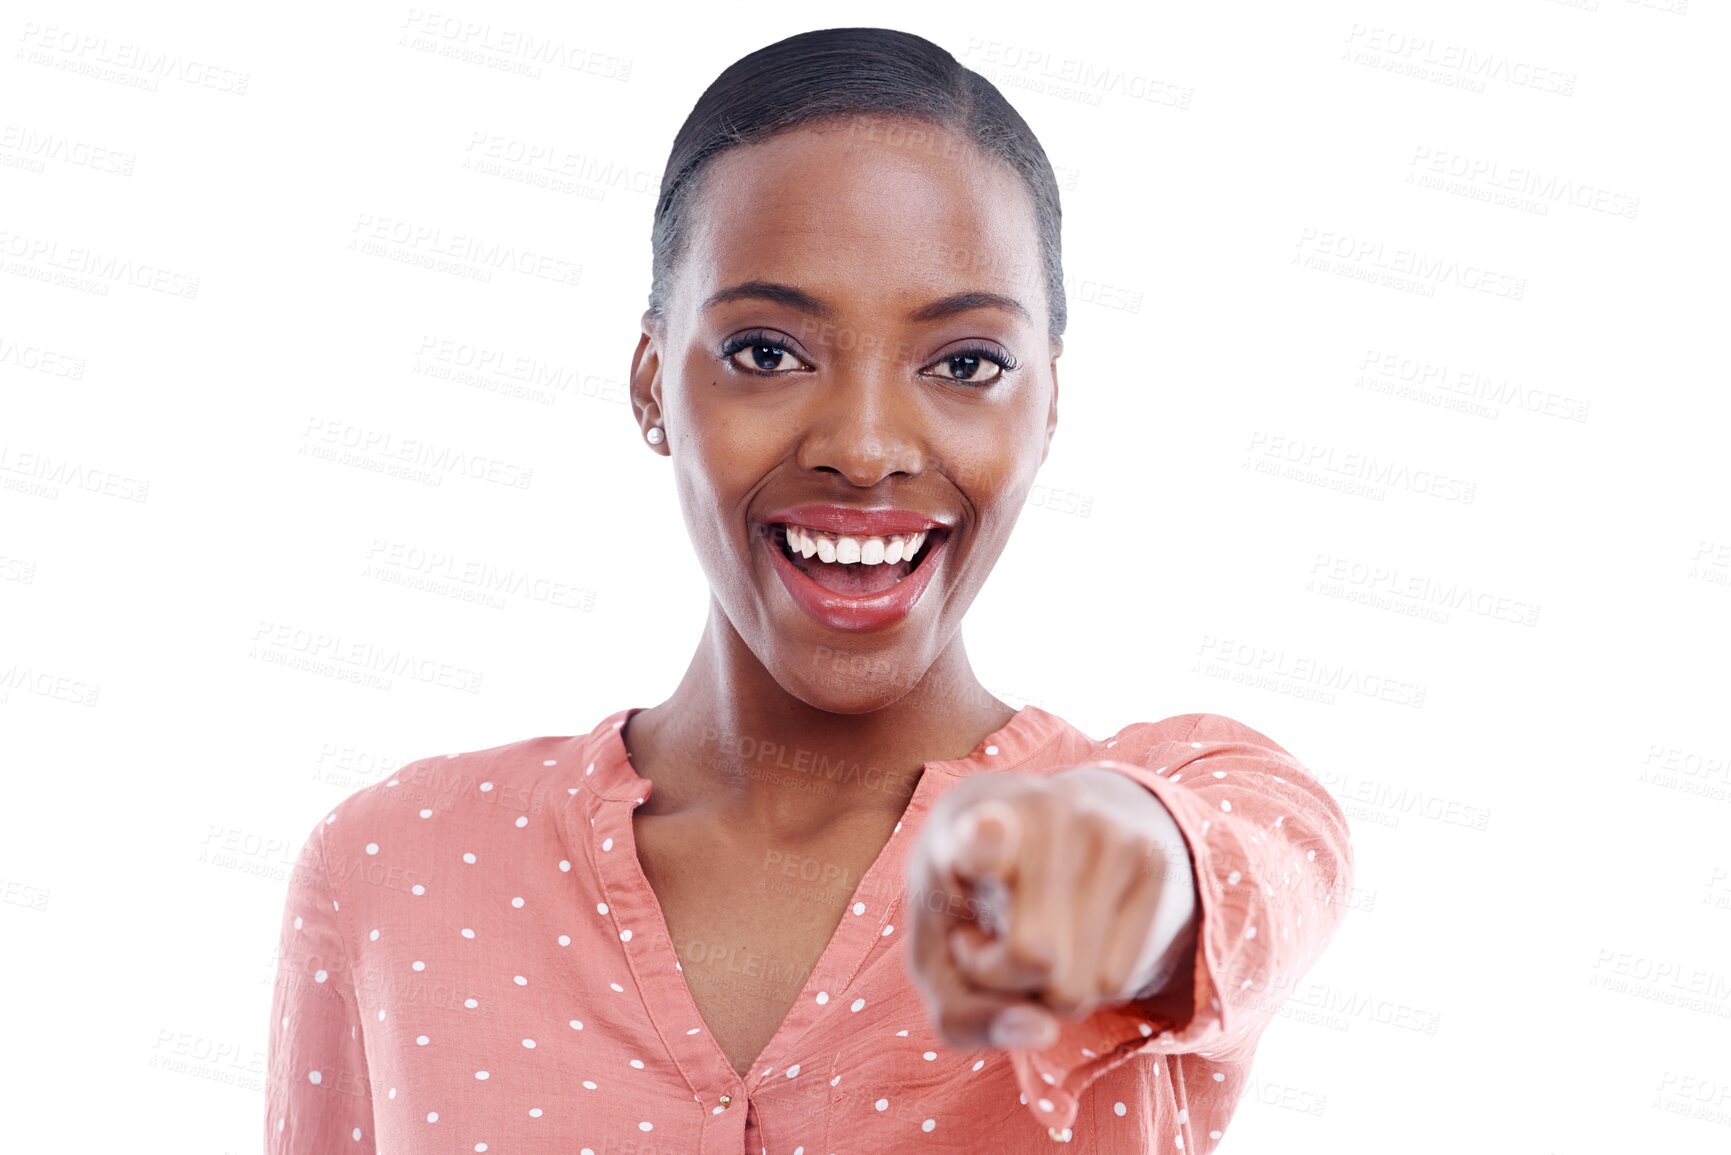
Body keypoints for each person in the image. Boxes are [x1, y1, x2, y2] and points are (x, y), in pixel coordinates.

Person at [265, 26, 1354, 1154]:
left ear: (1048, 406)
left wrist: (1104, 878)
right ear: (651, 382)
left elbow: (1243, 875)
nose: (867, 446)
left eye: (967, 364)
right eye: (768, 353)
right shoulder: (400, 862)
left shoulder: (1193, 800)